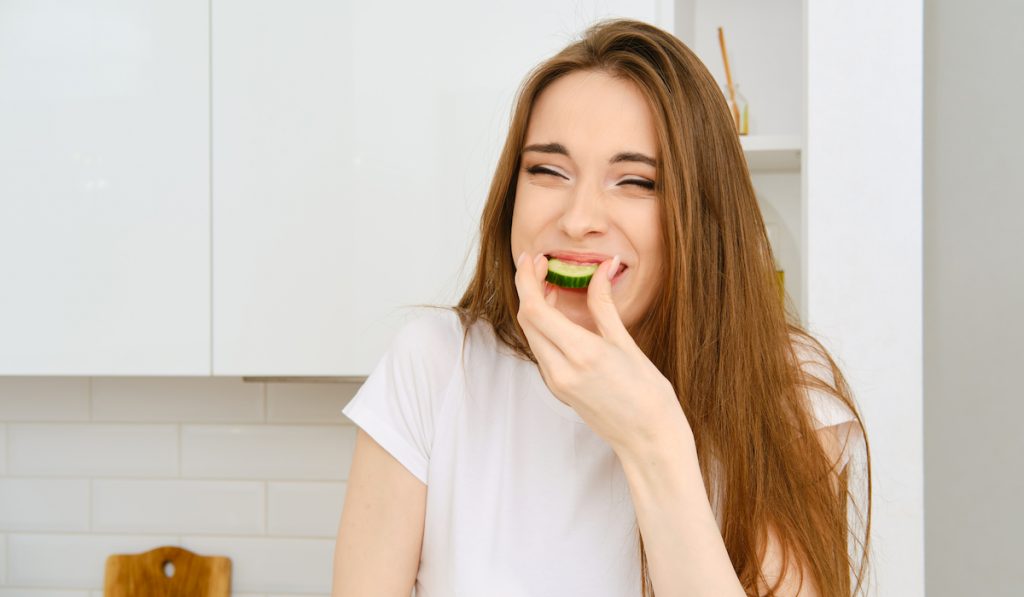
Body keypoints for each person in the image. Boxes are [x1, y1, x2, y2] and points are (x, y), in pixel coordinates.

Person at [332, 18, 871, 597]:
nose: (578, 218)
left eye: (635, 181)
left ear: (702, 215)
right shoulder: (434, 365)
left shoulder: (787, 391)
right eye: (547, 170)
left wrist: (652, 439)